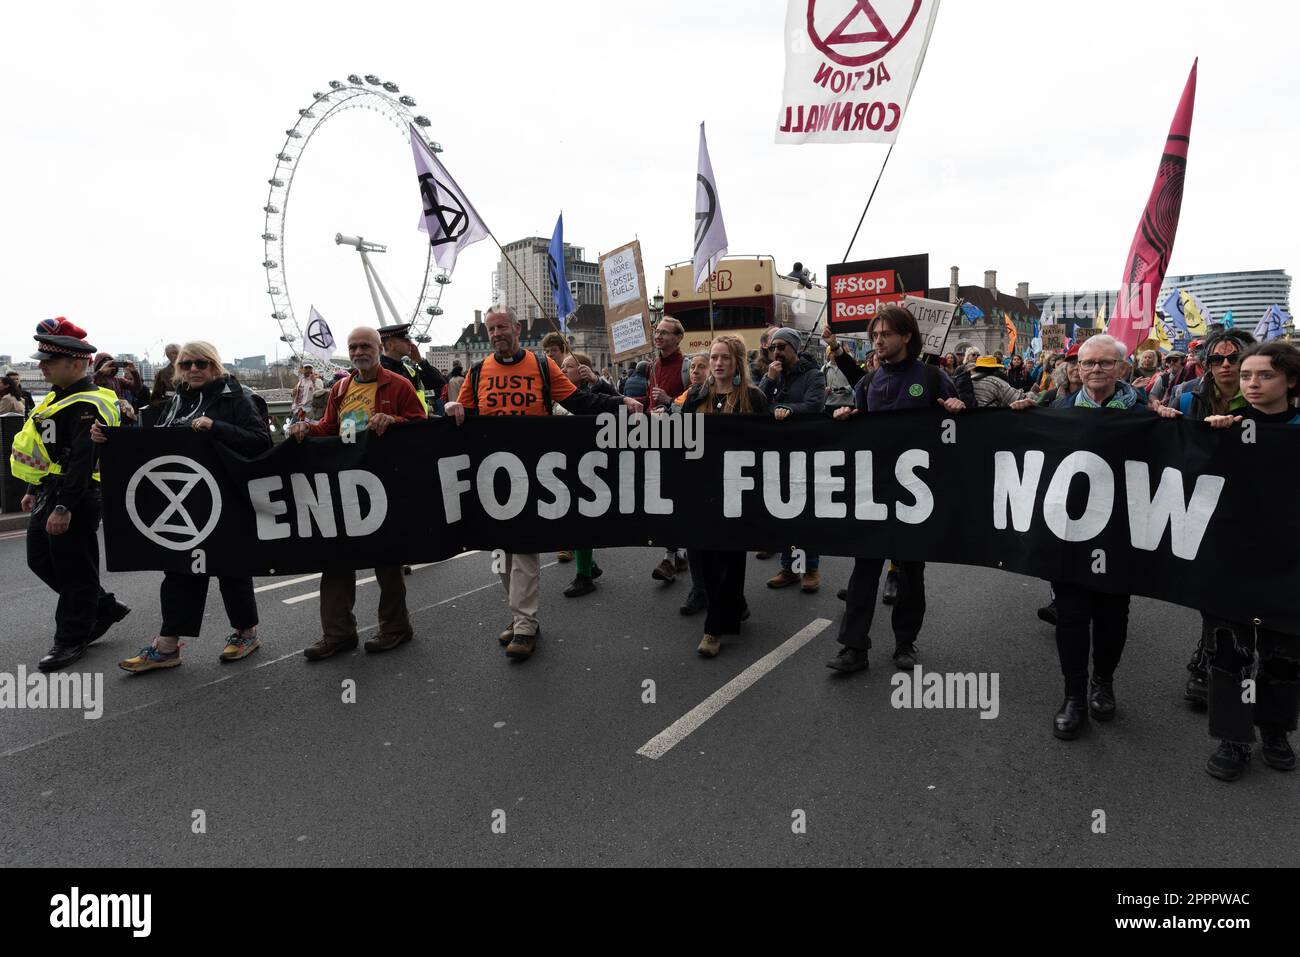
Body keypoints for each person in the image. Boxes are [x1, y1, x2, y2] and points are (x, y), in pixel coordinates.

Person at [443, 306, 643, 660]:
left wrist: (619, 403)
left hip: (531, 470)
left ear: (517, 329)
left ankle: (524, 624)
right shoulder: (477, 372)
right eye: (491, 329)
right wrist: (452, 409)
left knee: (523, 547)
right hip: (492, 475)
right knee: (500, 551)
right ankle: (519, 614)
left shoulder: (540, 366)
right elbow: (467, 417)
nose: (496, 334)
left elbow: (579, 401)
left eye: (502, 326)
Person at [96, 343, 273, 672]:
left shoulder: (236, 398)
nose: (194, 368)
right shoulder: (177, 399)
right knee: (179, 569)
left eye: (201, 363)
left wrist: (216, 427)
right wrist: (111, 439)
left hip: (227, 499)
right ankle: (167, 645)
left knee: (231, 568)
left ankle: (246, 632)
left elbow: (261, 441)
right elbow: (157, 444)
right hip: (185, 504)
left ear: (215, 366)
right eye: (187, 363)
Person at [1012, 334, 1146, 739]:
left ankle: (1102, 682)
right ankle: (1073, 696)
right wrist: (1019, 416)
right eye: (1088, 364)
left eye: (1105, 364)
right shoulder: (1058, 408)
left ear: (1123, 369)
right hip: (1068, 530)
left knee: (1112, 614)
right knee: (1071, 616)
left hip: (1120, 531)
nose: (1095, 371)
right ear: (1078, 368)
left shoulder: (1145, 412)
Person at [1178, 341, 1300, 779]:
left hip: (1288, 567)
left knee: (1283, 654)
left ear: (1290, 379)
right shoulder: (1226, 428)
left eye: (1264, 375)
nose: (1251, 383)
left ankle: (1275, 729)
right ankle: (1233, 739)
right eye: (1246, 376)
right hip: (1231, 559)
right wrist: (1205, 437)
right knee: (1229, 652)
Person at [824, 306, 966, 675]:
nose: (878, 341)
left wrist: (957, 412)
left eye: (885, 334)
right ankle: (853, 647)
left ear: (906, 336)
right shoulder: (868, 384)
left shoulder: (934, 378)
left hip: (917, 495)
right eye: (874, 336)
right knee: (864, 570)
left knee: (910, 572)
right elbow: (856, 432)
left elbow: (962, 433)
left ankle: (905, 642)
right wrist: (844, 420)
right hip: (874, 492)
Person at [287, 327, 427, 660]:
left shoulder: (399, 384)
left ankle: (395, 627)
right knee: (336, 556)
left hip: (382, 482)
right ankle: (337, 633)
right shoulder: (341, 387)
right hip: (346, 482)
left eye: (365, 345)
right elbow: (330, 427)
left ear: (379, 348)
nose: (358, 351)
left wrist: (392, 420)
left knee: (385, 558)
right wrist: (307, 428)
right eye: (353, 347)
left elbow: (421, 425)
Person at [11, 320, 130, 672]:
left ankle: (70, 639)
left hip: (76, 494)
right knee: (40, 559)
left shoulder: (87, 404)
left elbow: (81, 461)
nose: (41, 366)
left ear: (77, 363)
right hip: (52, 489)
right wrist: (34, 488)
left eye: (49, 361)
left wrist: (64, 506)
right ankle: (103, 605)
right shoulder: (58, 397)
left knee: (74, 569)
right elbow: (52, 450)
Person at [1152, 329, 1256, 706]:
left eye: (1234, 358)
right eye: (1217, 359)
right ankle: (1210, 655)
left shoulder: (1270, 397)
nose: (1226, 365)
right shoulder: (1188, 395)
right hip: (1204, 503)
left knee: (1249, 590)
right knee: (1212, 583)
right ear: (1207, 364)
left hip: (1258, 508)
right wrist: (1162, 416)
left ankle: (1231, 667)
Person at [679, 335, 768, 658]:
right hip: (702, 491)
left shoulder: (753, 399)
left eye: (725, 358)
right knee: (703, 557)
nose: (717, 364)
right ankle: (735, 604)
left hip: (737, 492)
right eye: (714, 357)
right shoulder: (695, 397)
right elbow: (682, 439)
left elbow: (766, 445)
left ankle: (714, 628)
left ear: (736, 363)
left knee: (729, 559)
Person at [759, 328, 827, 593]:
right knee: (784, 512)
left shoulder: (813, 376)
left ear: (795, 349)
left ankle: (810, 569)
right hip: (778, 454)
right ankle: (789, 568)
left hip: (805, 451)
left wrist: (785, 409)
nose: (776, 352)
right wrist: (769, 379)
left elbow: (813, 405)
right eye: (773, 348)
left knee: (805, 513)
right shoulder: (773, 376)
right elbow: (758, 405)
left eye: (782, 347)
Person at [555, 351, 617, 598]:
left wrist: (595, 380)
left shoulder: (591, 397)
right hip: (562, 462)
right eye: (561, 366)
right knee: (568, 517)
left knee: (579, 518)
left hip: (589, 465)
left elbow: (618, 402)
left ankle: (584, 575)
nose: (562, 370)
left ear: (582, 372)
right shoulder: (556, 397)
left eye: (568, 367)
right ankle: (589, 565)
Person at [376, 323, 443, 413]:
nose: (411, 344)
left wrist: (420, 361)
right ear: (390, 345)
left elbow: (439, 384)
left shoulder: (409, 370)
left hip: (416, 421)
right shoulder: (377, 371)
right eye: (405, 340)